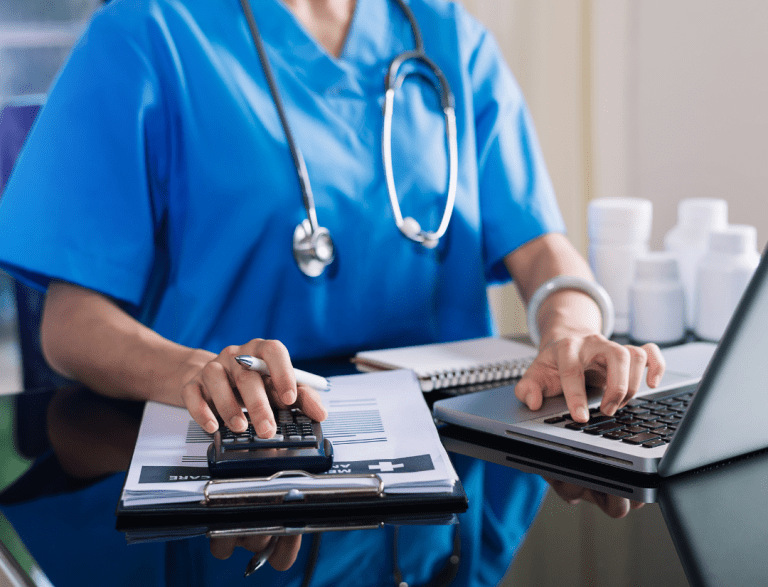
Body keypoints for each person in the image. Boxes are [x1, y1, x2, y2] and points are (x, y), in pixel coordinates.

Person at [0, 0, 664, 584]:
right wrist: (194, 371)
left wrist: (569, 327)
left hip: (443, 483)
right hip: (243, 464)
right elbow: (71, 322)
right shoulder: (146, 32)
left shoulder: (447, 35)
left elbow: (542, 246)